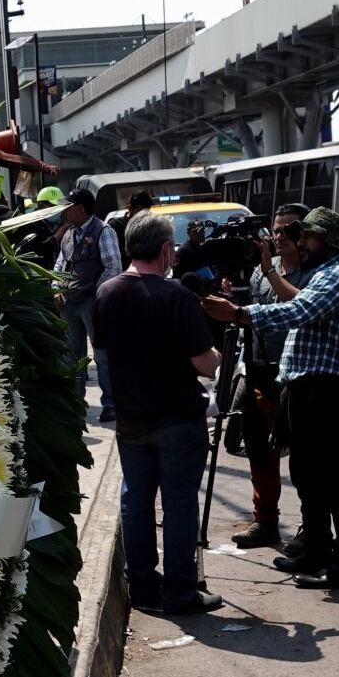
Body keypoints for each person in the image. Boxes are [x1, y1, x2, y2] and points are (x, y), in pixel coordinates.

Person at [202, 207, 339, 590]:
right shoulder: (329, 274)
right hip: (309, 390)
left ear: (326, 241)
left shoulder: (338, 276)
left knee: (334, 481)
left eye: (307, 237)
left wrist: (240, 313)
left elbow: (297, 311)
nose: (301, 243)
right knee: (310, 476)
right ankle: (316, 551)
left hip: (324, 392)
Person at [94, 211, 223, 614]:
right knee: (179, 505)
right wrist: (218, 354)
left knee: (136, 502)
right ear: (166, 250)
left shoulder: (107, 292)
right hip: (178, 419)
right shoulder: (177, 298)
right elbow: (206, 364)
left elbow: (104, 348)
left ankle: (144, 590)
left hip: (131, 420)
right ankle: (181, 592)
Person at [231, 203, 311, 549]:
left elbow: (299, 308)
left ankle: (313, 528)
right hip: (259, 369)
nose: (280, 236)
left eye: (289, 229)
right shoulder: (261, 270)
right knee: (259, 450)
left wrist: (269, 273)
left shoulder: (314, 273)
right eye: (276, 230)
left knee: (305, 457)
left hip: (296, 374)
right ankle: (264, 521)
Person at [54, 188, 122, 422]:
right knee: (72, 356)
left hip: (92, 303)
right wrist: (56, 287)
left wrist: (96, 293)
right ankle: (76, 404)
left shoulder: (104, 231)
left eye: (69, 207)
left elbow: (113, 267)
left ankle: (110, 404)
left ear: (81, 209)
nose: (64, 211)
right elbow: (59, 265)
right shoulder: (68, 234)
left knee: (102, 356)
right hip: (69, 302)